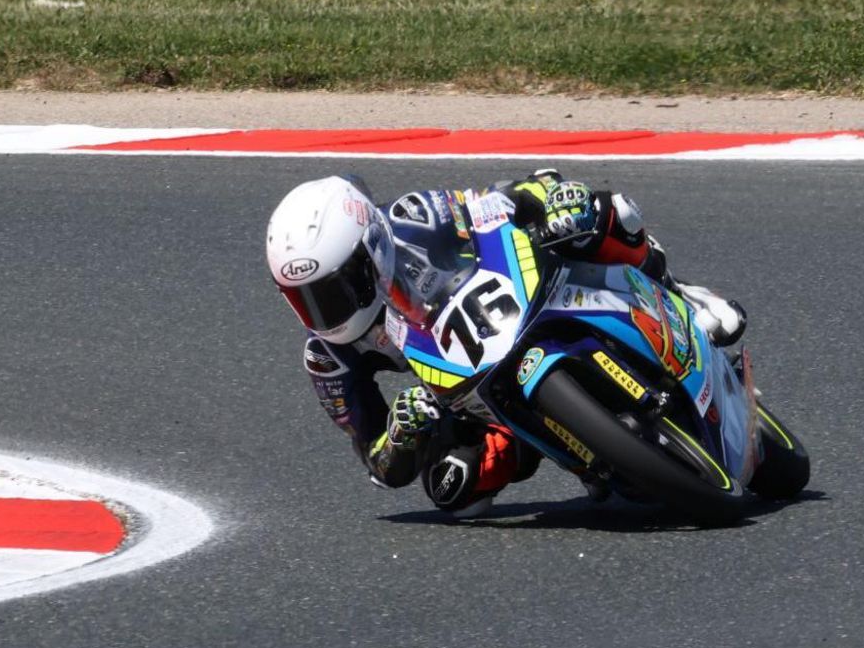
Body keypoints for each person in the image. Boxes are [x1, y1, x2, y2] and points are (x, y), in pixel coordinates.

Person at [265, 170, 745, 518]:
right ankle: (574, 448)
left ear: (371, 249)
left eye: (336, 288)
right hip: (460, 390)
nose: (325, 311)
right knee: (452, 490)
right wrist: (402, 432)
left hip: (509, 306)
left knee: (598, 214)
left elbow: (497, 200)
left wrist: (551, 197)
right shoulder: (327, 356)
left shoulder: (414, 217)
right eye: (304, 299)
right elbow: (380, 463)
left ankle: (680, 293)